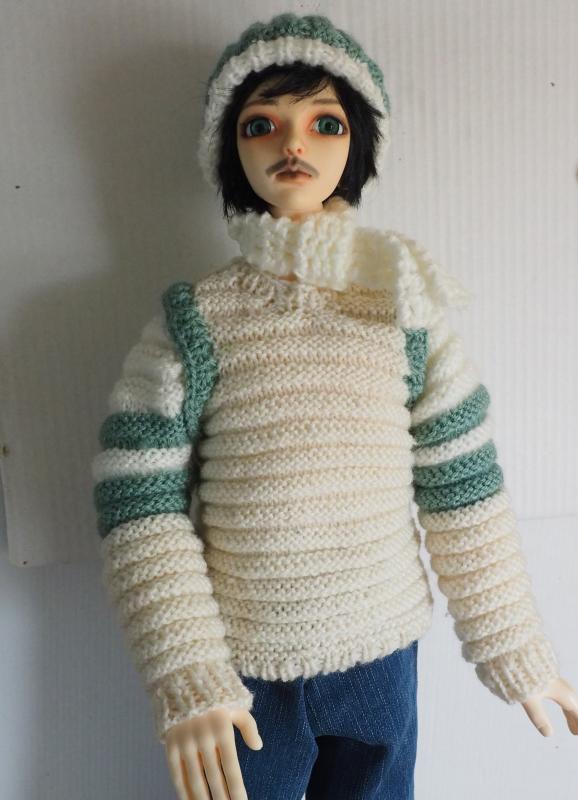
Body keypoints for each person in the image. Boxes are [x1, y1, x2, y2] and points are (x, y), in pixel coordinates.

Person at [91, 12, 578, 800]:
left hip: (382, 656)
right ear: (229, 148)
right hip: (243, 674)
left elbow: (463, 488)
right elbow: (137, 499)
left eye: (325, 123)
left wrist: (511, 644)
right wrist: (187, 666)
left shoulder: (403, 308)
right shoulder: (197, 321)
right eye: (261, 124)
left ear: (358, 144)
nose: (294, 144)